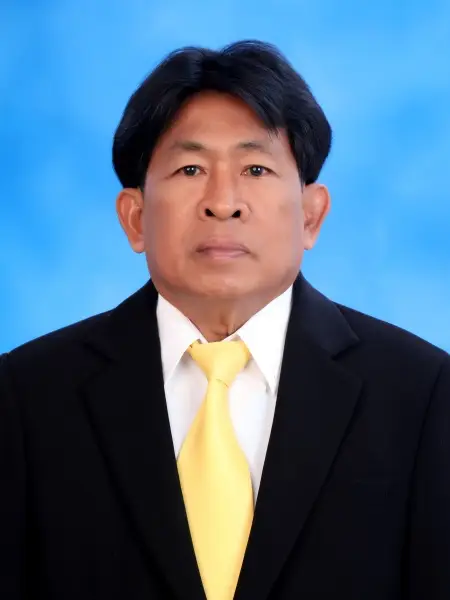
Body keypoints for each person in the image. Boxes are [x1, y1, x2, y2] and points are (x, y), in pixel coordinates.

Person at [1, 40, 449, 600]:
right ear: (135, 218)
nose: (223, 202)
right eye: (190, 168)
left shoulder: (422, 394)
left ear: (311, 216)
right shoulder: (26, 396)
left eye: (256, 168)